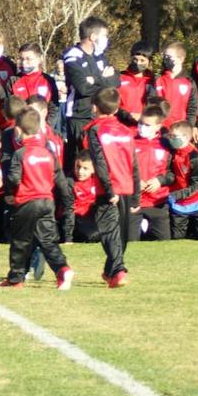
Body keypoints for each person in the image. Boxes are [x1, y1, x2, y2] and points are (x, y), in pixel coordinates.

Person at [1, 108, 74, 290]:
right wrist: (67, 201)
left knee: (20, 241)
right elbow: (59, 178)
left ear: (18, 130)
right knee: (48, 240)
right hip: (47, 201)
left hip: (27, 201)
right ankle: (62, 269)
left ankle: (16, 278)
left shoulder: (20, 154)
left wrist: (10, 193)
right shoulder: (48, 153)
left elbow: (13, 178)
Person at [83, 88, 138, 285]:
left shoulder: (95, 130)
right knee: (119, 234)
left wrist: (108, 188)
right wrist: (136, 195)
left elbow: (99, 162)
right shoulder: (125, 131)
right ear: (116, 110)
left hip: (108, 188)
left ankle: (118, 271)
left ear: (95, 107)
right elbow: (134, 163)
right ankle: (110, 271)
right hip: (126, 186)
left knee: (109, 232)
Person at [62, 17, 119, 155]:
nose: (107, 40)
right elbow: (82, 88)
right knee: (79, 158)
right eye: (104, 36)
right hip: (79, 116)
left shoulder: (99, 56)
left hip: (98, 114)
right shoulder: (73, 56)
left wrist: (94, 80)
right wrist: (102, 78)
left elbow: (115, 82)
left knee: (98, 157)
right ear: (93, 37)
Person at [133, 104, 173, 242]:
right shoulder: (130, 142)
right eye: (140, 123)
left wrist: (160, 181)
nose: (142, 127)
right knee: (131, 245)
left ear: (158, 126)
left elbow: (174, 173)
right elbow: (120, 169)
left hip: (158, 202)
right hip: (135, 202)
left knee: (164, 245)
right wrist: (134, 182)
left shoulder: (167, 144)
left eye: (147, 125)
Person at [166, 121, 198, 240]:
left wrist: (177, 195)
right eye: (170, 136)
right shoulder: (174, 152)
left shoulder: (194, 158)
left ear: (185, 137)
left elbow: (197, 184)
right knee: (177, 237)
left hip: (197, 201)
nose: (171, 139)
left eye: (174, 136)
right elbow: (171, 173)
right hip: (179, 204)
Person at [151, 42, 198, 127]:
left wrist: (189, 127)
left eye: (168, 57)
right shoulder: (157, 79)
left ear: (181, 59)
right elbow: (151, 104)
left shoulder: (189, 82)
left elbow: (192, 108)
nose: (165, 59)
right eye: (164, 56)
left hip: (179, 129)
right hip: (159, 128)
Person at [119, 43, 154, 117]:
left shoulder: (152, 81)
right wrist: (126, 115)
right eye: (135, 59)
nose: (138, 63)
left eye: (142, 60)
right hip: (122, 122)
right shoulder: (120, 77)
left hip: (144, 123)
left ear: (149, 62)